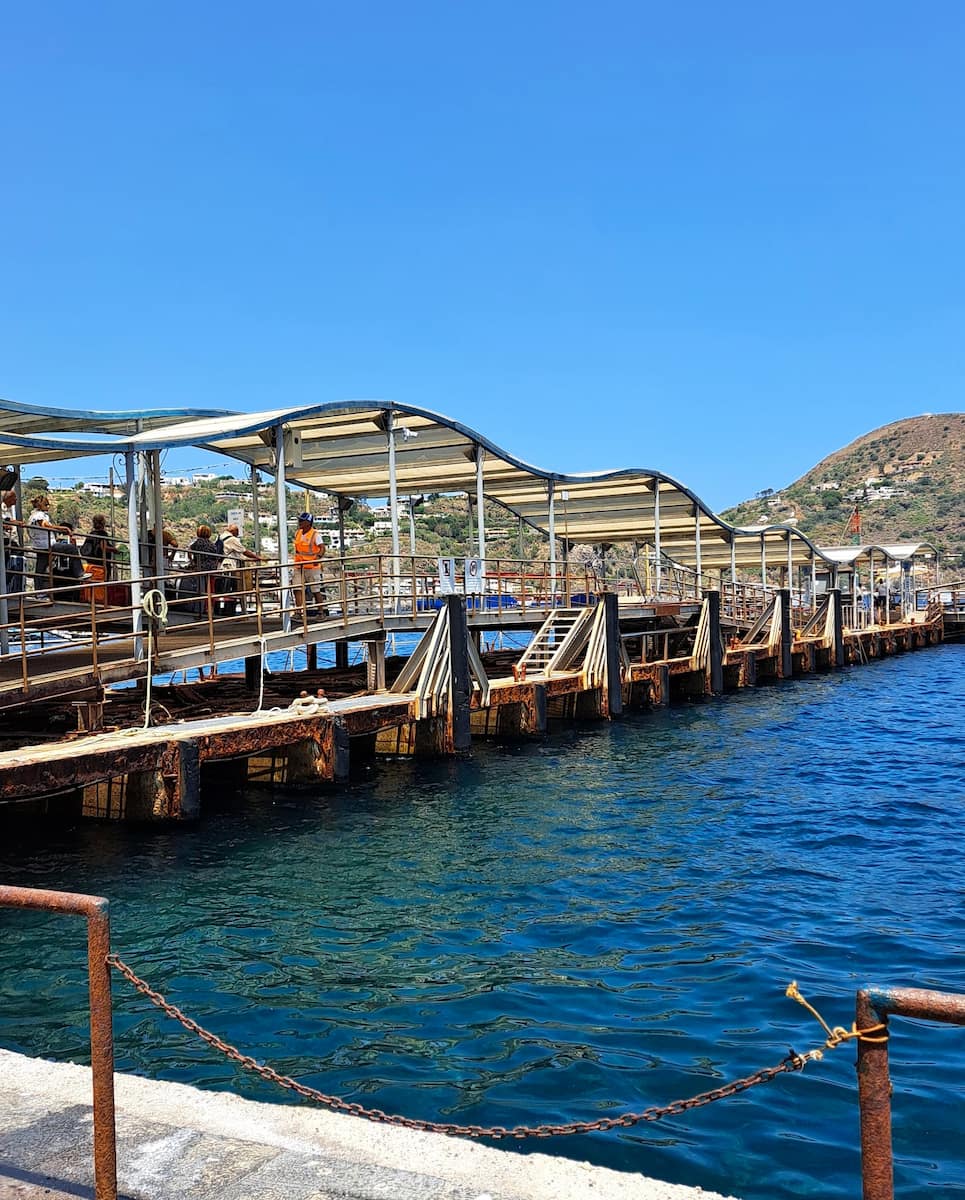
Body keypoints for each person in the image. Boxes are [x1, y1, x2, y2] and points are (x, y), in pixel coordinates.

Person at [26, 496, 70, 599]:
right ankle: (79, 572)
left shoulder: (35, 515)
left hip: (41, 545)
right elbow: (45, 525)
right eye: (46, 504)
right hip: (45, 545)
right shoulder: (39, 516)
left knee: (41, 569)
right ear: (41, 505)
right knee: (70, 549)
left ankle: (40, 591)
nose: (48, 506)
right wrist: (62, 528)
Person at [219, 523, 262, 613]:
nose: (238, 533)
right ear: (233, 531)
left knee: (223, 590)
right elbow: (244, 551)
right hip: (230, 566)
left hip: (221, 566)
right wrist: (256, 558)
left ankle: (221, 610)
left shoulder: (220, 537)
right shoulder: (232, 539)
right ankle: (229, 611)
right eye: (237, 531)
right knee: (232, 589)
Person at [292, 511, 327, 616]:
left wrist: (318, 557)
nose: (300, 522)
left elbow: (322, 548)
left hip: (312, 567)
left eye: (302, 521)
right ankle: (298, 612)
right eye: (299, 520)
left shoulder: (315, 535)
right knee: (297, 588)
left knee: (315, 590)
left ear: (308, 522)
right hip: (299, 566)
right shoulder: (298, 533)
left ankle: (321, 612)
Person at [184, 524, 221, 615]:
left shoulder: (198, 542)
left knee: (201, 588)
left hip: (201, 567)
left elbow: (189, 550)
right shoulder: (212, 544)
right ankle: (209, 607)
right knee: (210, 588)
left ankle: (200, 607)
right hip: (211, 569)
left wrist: (192, 560)